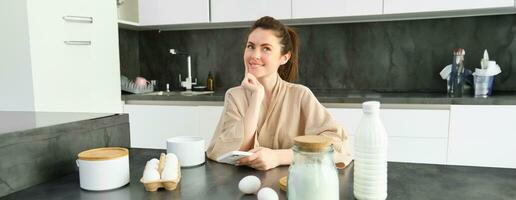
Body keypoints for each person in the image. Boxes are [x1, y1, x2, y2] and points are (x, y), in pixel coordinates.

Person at [206, 16, 352, 170]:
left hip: (294, 183)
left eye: (266, 48)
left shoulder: (300, 95)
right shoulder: (234, 96)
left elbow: (335, 146)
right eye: (250, 46)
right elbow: (233, 150)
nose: (254, 55)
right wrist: (256, 98)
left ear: (284, 57)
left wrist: (278, 157)